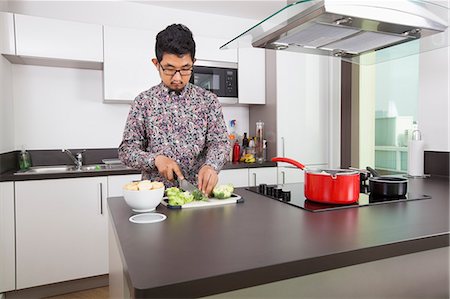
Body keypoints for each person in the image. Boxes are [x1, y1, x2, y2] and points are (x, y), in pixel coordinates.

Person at [118, 24, 230, 195]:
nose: (177, 77)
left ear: (193, 63)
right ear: (156, 64)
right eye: (170, 69)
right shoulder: (143, 102)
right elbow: (127, 151)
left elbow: (220, 143)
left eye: (185, 69)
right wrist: (155, 159)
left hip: (197, 196)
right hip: (155, 199)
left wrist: (211, 165)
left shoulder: (209, 101)